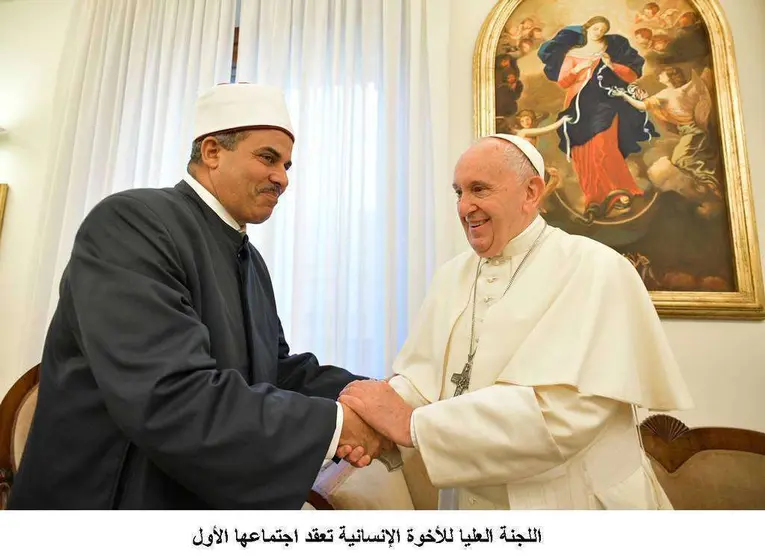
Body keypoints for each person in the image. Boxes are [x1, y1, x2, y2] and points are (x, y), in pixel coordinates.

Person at [9, 83, 384, 510]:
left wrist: (370, 395)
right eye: (268, 158)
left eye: (287, 164)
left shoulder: (250, 259)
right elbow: (169, 395)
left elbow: (273, 369)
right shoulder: (132, 223)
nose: (282, 177)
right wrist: (337, 426)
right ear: (211, 152)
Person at [339, 134, 693, 510]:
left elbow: (565, 416)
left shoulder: (596, 268)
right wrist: (366, 419)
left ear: (531, 192)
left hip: (574, 503)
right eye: (458, 192)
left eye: (479, 189)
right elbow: (423, 379)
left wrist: (411, 425)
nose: (464, 207)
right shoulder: (450, 276)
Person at [537, 16, 658, 218]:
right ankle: (594, 197)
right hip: (577, 104)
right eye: (596, 27)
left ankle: (619, 190)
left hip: (604, 102)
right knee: (583, 152)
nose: (599, 31)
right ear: (587, 29)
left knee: (604, 145)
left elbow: (630, 75)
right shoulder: (573, 54)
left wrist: (611, 65)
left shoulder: (610, 52)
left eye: (603, 29)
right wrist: (576, 69)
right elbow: (563, 82)